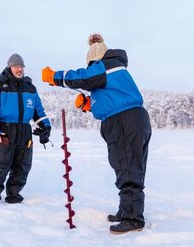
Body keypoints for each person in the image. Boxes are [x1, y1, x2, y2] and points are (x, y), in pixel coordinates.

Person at [42, 34, 152, 233]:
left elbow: (82, 77)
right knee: (127, 165)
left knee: (127, 167)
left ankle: (133, 218)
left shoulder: (107, 66)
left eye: (91, 64)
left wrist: (54, 77)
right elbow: (110, 98)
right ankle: (127, 210)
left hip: (123, 121)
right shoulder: (113, 70)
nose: (91, 68)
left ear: (96, 59)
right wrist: (89, 105)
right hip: (129, 119)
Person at [0, 53, 51, 205]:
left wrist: (46, 128)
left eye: (21, 67)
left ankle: (14, 196)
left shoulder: (30, 88)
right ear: (9, 67)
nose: (19, 69)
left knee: (22, 166)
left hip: (24, 131)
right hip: (4, 130)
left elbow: (38, 111)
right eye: (16, 67)